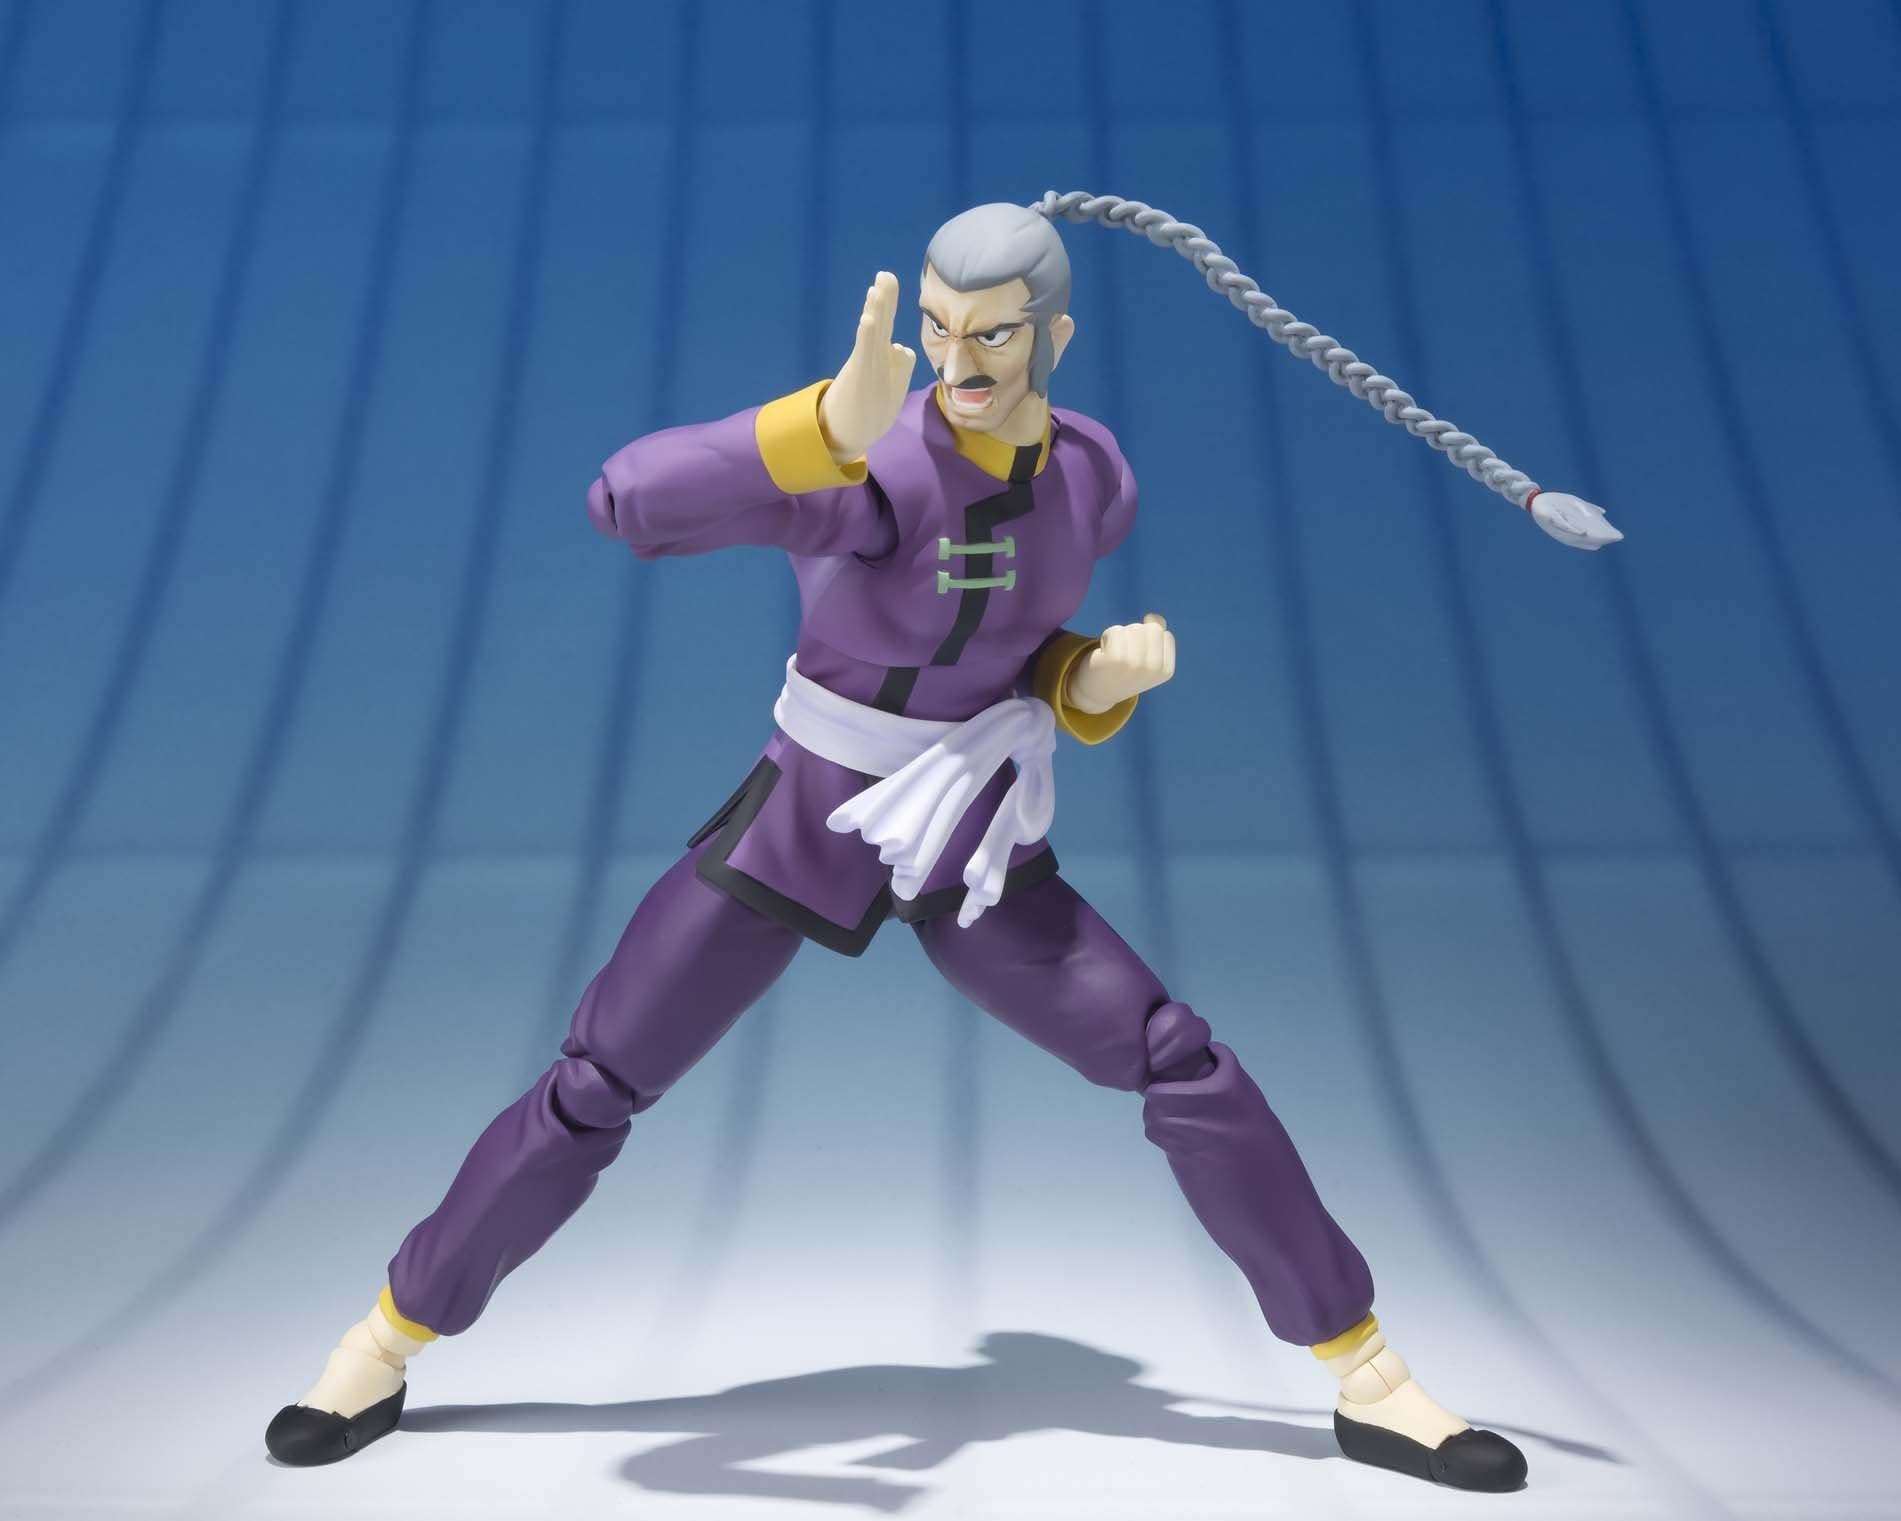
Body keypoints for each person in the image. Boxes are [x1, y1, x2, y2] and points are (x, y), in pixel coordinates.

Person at [266, 203, 1527, 1493]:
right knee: (597, 1081)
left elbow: (1009, 649)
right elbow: (625, 503)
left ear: (1056, 335)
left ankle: (1369, 1377)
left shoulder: (1092, 474)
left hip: (967, 836)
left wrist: (1092, 677)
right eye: (937, 329)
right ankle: (385, 1340)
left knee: (1181, 1061)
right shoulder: (877, 470)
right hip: (810, 818)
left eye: (994, 334)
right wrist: (824, 423)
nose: (958, 361)